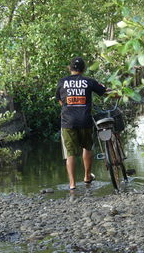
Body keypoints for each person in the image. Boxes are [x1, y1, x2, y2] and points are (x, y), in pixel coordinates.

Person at [55, 57, 107, 190]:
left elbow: (60, 101)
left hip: (68, 121)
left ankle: (72, 184)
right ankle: (87, 176)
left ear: (69, 68)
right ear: (83, 69)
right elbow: (104, 91)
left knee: (70, 153)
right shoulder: (88, 81)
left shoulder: (62, 82)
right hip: (85, 119)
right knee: (87, 147)